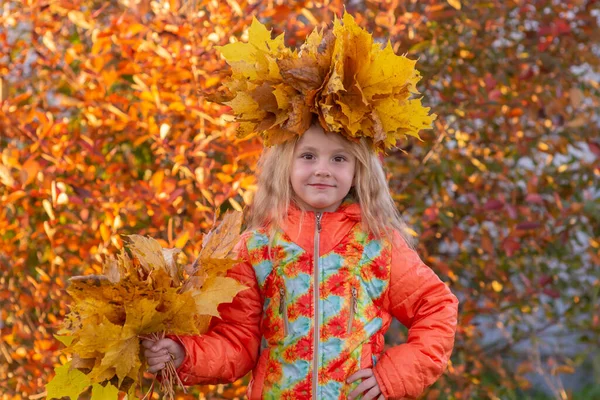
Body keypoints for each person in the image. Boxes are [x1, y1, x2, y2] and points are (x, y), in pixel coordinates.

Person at [142, 12, 459, 400]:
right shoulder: (257, 248)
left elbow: (437, 308)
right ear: (284, 165)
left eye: (339, 159)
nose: (323, 170)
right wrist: (182, 353)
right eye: (308, 156)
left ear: (360, 170)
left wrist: (393, 376)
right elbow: (238, 343)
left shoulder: (379, 245)